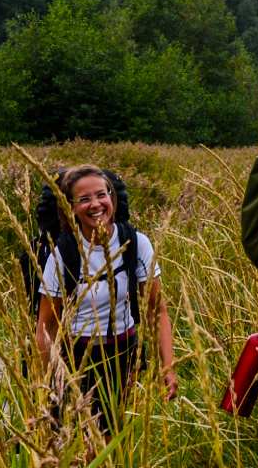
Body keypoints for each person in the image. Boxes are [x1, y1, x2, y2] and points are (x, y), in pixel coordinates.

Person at [34, 164, 177, 435]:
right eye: (84, 199)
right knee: (75, 442)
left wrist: (168, 366)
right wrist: (44, 382)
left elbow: (157, 311)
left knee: (111, 436)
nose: (95, 204)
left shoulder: (136, 243)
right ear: (71, 208)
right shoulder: (63, 253)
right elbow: (47, 326)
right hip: (74, 358)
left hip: (123, 353)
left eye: (101, 195)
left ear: (112, 197)